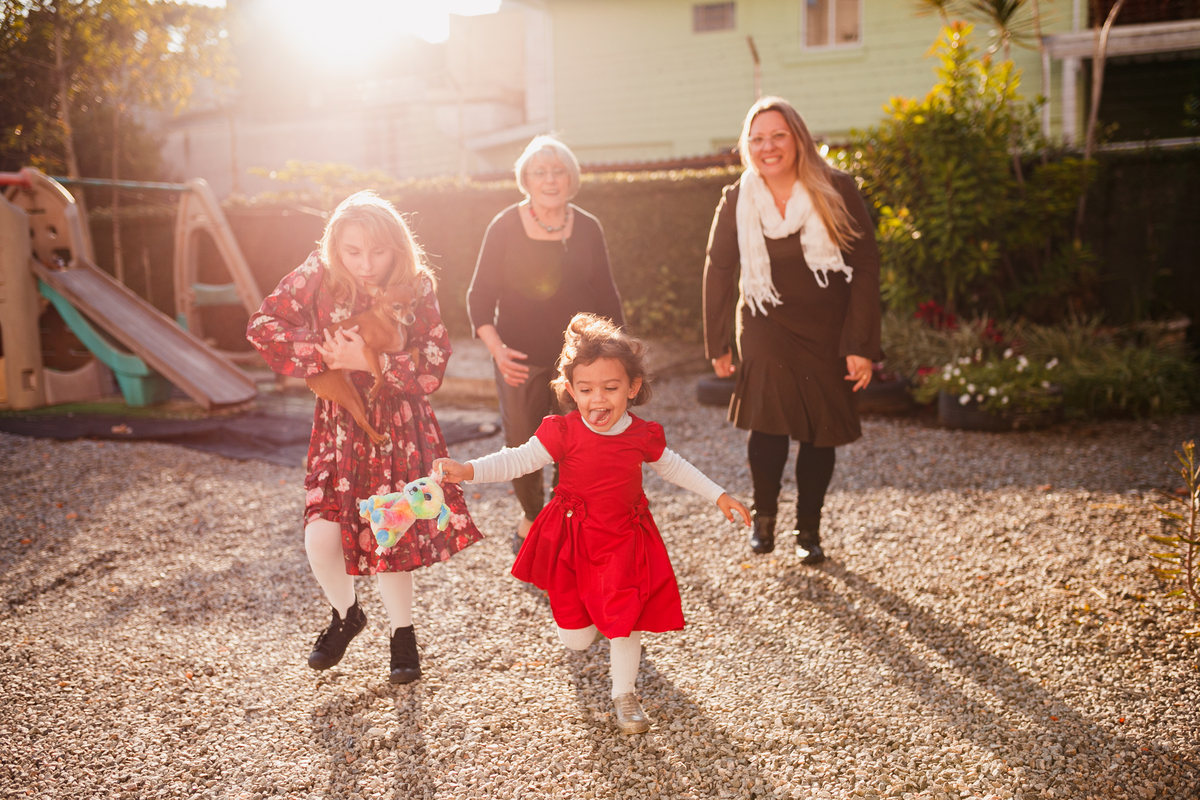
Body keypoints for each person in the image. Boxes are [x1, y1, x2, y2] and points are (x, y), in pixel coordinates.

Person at [435, 314, 751, 734]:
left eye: (610, 388)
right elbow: (518, 459)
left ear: (633, 387)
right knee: (577, 639)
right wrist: (467, 470)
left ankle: (625, 695)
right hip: (572, 538)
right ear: (570, 391)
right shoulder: (563, 432)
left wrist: (719, 495)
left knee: (625, 620)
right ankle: (591, 619)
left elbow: (674, 467)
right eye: (585, 390)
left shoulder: (641, 434)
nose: (597, 399)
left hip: (624, 539)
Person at [246, 191, 483, 684]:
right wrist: (325, 352)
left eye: (378, 252)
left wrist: (373, 363)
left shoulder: (416, 285)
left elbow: (434, 363)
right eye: (352, 252)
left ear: (397, 247)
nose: (366, 264)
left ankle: (403, 634)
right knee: (320, 538)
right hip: (339, 425)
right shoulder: (317, 273)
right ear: (335, 247)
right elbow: (263, 326)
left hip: (398, 427)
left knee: (389, 531)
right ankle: (346, 614)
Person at [703, 96, 882, 565]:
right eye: (757, 138)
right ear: (747, 146)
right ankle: (764, 518)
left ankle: (809, 529)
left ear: (798, 138)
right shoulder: (737, 197)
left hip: (827, 325)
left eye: (778, 135)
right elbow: (719, 269)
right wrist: (718, 342)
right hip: (763, 319)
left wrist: (859, 343)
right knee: (768, 417)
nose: (768, 147)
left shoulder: (835, 187)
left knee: (820, 429)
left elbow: (865, 264)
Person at [467, 135, 625, 556]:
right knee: (523, 443)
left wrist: (617, 358)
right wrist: (498, 351)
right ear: (526, 179)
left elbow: (608, 297)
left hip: (581, 361)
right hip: (519, 359)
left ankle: (562, 519)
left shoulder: (588, 227)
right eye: (540, 172)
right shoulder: (504, 225)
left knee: (577, 445)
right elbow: (479, 298)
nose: (550, 180)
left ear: (571, 178)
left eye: (558, 171)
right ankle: (532, 514)